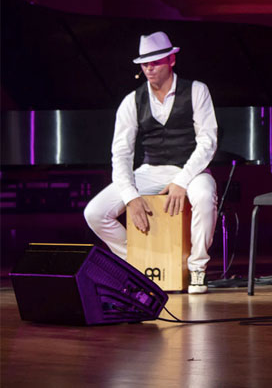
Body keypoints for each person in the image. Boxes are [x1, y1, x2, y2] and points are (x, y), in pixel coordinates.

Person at [84, 31, 218, 294]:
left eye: (155, 62)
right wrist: (131, 196)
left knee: (204, 195)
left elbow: (208, 142)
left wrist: (182, 180)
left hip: (191, 169)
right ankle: (138, 261)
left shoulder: (196, 90)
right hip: (150, 169)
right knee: (95, 213)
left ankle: (197, 268)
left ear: (171, 60)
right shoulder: (131, 101)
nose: (149, 68)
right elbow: (121, 154)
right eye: (144, 64)